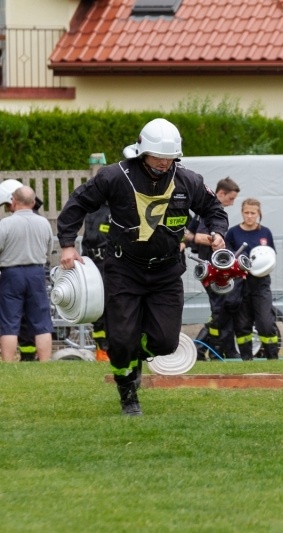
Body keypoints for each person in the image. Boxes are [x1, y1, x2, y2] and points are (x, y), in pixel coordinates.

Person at [57, 118, 228, 415]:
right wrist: (68, 243)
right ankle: (128, 395)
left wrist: (218, 231)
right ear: (141, 152)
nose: (163, 164)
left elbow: (213, 209)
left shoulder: (188, 180)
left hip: (166, 272)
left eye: (169, 159)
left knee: (165, 342)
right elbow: (78, 203)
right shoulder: (114, 176)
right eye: (158, 159)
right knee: (120, 340)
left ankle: (138, 355)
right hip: (123, 269)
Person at [184, 176, 240, 360]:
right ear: (221, 193)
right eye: (230, 198)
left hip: (211, 266)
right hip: (211, 268)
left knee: (222, 308)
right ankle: (201, 349)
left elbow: (188, 233)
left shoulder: (201, 211)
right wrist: (208, 240)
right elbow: (197, 235)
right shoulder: (209, 211)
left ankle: (215, 350)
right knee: (218, 310)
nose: (231, 203)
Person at [0, 186, 54, 362]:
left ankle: (8, 363)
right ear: (33, 203)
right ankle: (45, 363)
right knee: (41, 321)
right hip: (36, 273)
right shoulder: (44, 223)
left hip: (11, 273)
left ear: (13, 201)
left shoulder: (5, 224)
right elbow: (49, 250)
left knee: (9, 321)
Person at [224, 198, 279, 360]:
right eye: (246, 213)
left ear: (258, 214)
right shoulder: (233, 233)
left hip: (261, 284)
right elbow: (228, 257)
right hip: (240, 284)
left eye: (253, 213)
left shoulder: (265, 232)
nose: (249, 216)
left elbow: (271, 256)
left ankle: (272, 357)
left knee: (265, 323)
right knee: (242, 325)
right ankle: (247, 359)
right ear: (242, 213)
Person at [81, 202, 111, 361]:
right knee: (97, 309)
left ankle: (112, 349)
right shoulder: (92, 210)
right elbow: (87, 238)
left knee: (113, 308)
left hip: (110, 264)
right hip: (93, 264)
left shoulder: (116, 208)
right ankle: (101, 351)